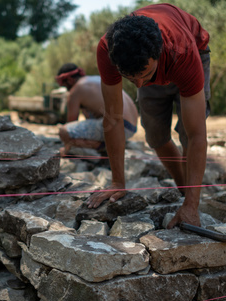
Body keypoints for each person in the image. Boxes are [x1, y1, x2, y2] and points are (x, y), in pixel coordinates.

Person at [88, 3, 211, 229]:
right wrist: (117, 181)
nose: (139, 85)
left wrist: (192, 206)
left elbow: (197, 135)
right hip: (145, 61)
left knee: (187, 132)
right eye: (129, 79)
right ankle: (184, 189)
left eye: (145, 76)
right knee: (155, 136)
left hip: (190, 52)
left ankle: (192, 201)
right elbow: (113, 118)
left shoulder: (182, 52)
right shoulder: (109, 50)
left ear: (158, 54)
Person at [55, 63, 139, 156]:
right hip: (131, 128)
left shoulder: (75, 90)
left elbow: (70, 125)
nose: (65, 88)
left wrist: (66, 148)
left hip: (118, 126)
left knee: (64, 131)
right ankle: (108, 143)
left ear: (70, 80)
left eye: (64, 84)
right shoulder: (96, 79)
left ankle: (102, 146)